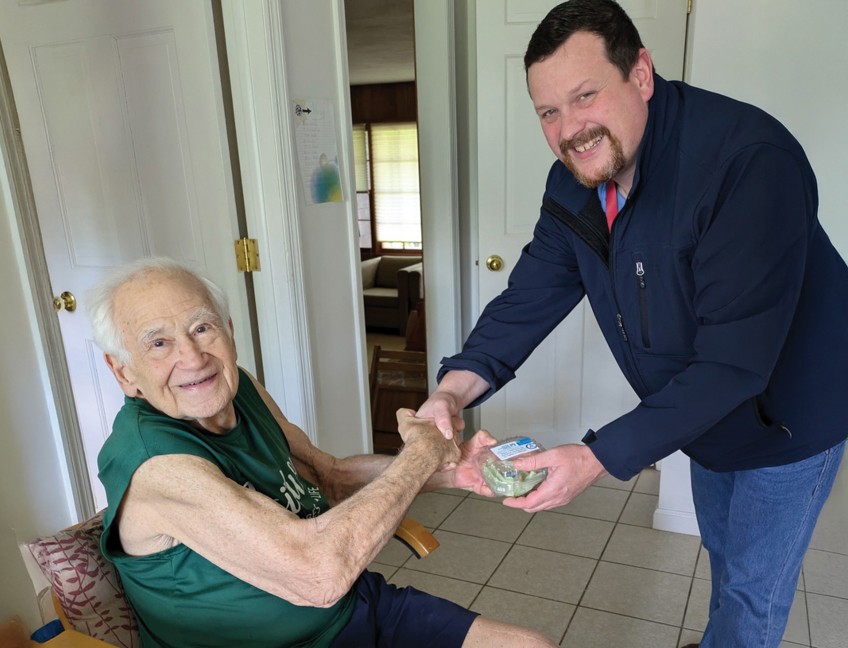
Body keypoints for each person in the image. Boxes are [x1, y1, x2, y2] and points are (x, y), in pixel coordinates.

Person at [416, 2, 848, 647]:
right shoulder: (575, 183)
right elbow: (530, 296)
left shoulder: (747, 162)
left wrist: (595, 458)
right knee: (725, 563)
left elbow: (735, 362)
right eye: (549, 111)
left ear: (640, 73)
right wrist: (453, 389)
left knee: (752, 596)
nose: (570, 129)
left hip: (789, 421)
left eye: (585, 95)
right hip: (705, 417)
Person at [87, 258, 554, 648]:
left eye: (202, 327)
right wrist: (420, 454)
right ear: (124, 373)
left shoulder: (239, 387)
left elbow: (328, 475)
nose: (191, 358)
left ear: (229, 332)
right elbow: (317, 575)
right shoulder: (158, 466)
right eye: (158, 343)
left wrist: (455, 472)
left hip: (350, 610)